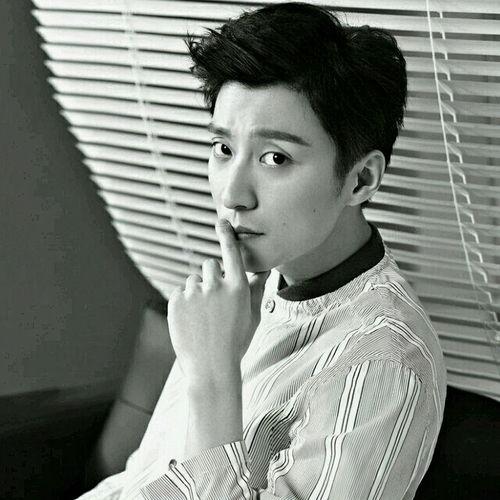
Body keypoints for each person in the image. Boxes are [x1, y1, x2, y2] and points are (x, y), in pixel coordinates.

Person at [78, 2, 446, 498]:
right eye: (224, 150)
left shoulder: (382, 364)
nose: (232, 194)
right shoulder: (235, 296)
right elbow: (138, 480)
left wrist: (213, 378)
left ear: (361, 179)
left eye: (275, 157)